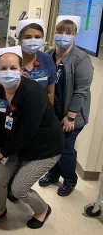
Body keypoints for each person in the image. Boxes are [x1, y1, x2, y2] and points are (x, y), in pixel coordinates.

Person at [0, 46, 64, 229]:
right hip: (16, 146)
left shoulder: (33, 92)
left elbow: (28, 130)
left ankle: (42, 209)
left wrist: (4, 151)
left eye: (13, 68)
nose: (8, 73)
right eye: (3, 68)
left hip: (44, 148)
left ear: (21, 70)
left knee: (18, 189)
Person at [0, 19, 57, 207]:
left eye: (37, 37)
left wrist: (44, 115)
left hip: (31, 120)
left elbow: (50, 91)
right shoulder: (7, 56)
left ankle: (13, 189)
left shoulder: (45, 62)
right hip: (5, 121)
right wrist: (7, 82)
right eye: (28, 37)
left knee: (19, 159)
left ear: (20, 69)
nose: (33, 41)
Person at [39, 16, 94, 197]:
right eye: (60, 31)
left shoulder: (80, 59)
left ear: (75, 36)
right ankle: (53, 174)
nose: (63, 35)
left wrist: (70, 116)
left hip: (72, 114)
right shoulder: (48, 54)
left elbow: (81, 90)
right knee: (53, 145)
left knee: (66, 148)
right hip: (53, 111)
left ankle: (70, 180)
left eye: (68, 33)